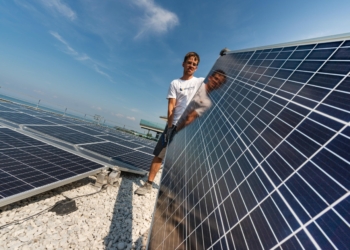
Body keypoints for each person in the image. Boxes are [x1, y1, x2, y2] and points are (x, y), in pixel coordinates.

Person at [135, 52, 204, 195]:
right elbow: (171, 106)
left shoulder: (199, 82)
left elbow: (219, 78)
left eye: (194, 64)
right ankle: (148, 184)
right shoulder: (175, 83)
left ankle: (176, 191)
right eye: (189, 63)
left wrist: (223, 57)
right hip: (174, 125)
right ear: (183, 64)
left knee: (183, 161)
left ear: (196, 68)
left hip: (190, 127)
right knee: (159, 155)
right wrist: (170, 128)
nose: (191, 66)